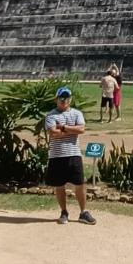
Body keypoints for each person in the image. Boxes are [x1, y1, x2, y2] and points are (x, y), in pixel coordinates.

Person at [45, 86, 96, 225]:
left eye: (66, 98)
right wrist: (71, 131)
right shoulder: (51, 115)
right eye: (61, 98)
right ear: (56, 99)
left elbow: (81, 129)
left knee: (79, 184)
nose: (64, 100)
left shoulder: (77, 113)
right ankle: (64, 212)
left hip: (73, 153)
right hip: (57, 155)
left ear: (70, 99)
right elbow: (53, 133)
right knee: (59, 185)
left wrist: (63, 127)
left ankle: (83, 212)